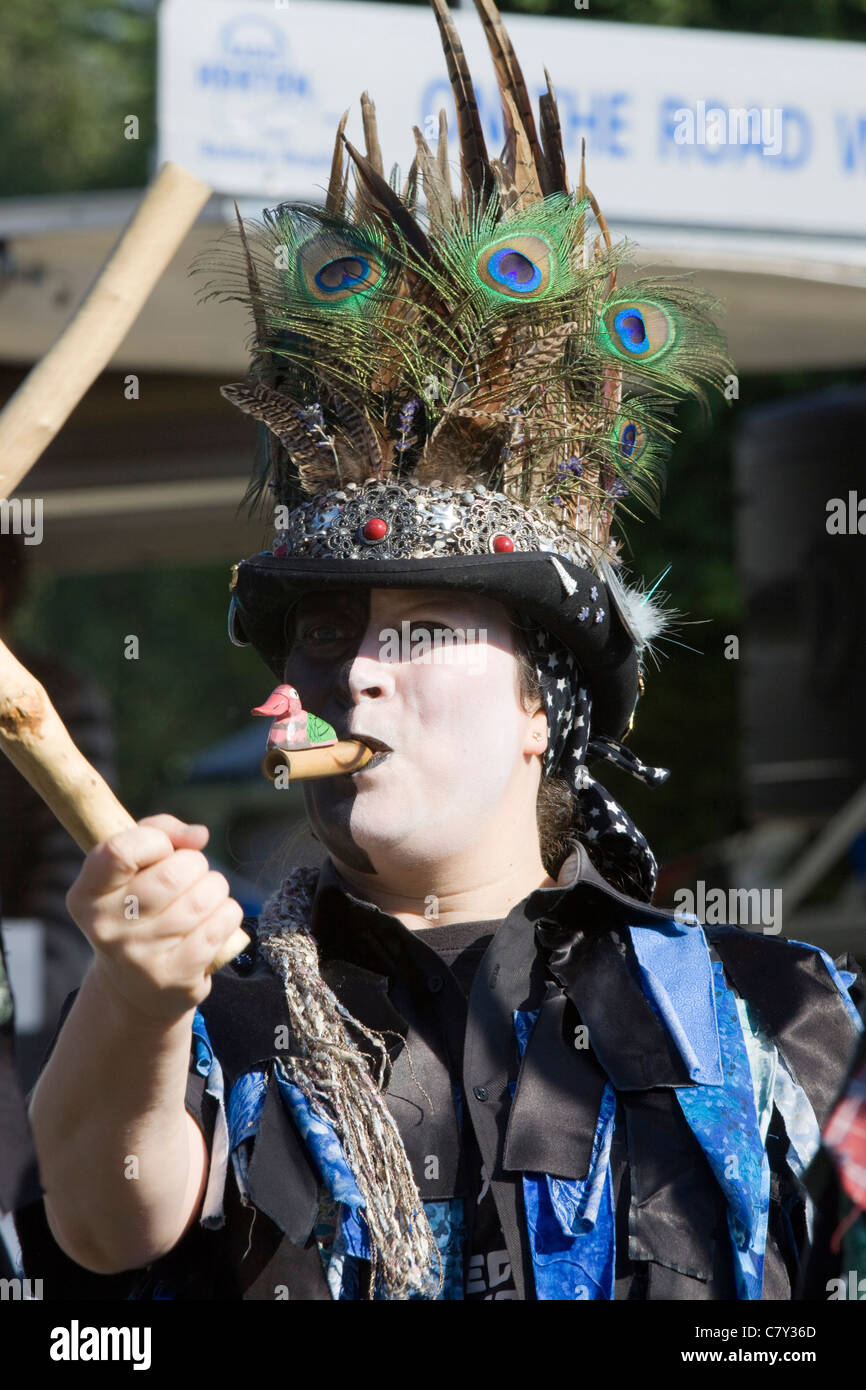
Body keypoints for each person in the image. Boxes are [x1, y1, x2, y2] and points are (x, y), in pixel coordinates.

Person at [14, 0, 862, 1301]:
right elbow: (99, 1218)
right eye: (327, 632)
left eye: (418, 631)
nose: (355, 670)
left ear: (542, 703)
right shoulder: (213, 1011)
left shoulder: (781, 1019)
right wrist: (133, 1001)